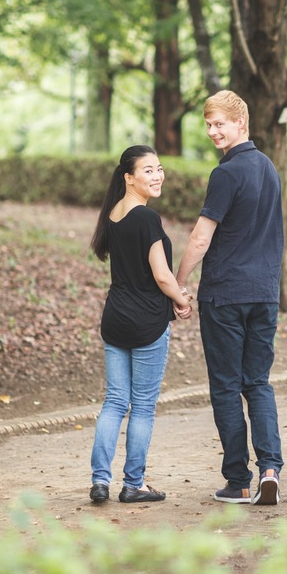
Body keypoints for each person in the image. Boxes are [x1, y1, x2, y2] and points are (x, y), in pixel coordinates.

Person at [176, 91, 285, 506]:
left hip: (225, 296)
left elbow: (201, 237)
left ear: (241, 122)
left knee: (225, 386)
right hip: (265, 294)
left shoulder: (226, 173)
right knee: (257, 382)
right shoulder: (269, 168)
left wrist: (178, 284)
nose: (212, 131)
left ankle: (238, 480)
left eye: (219, 123)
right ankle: (270, 470)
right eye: (208, 124)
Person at [88, 145, 193, 505]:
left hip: (116, 318)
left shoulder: (113, 214)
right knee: (143, 406)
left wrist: (174, 294)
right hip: (146, 321)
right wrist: (182, 300)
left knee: (115, 401)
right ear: (128, 178)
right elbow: (162, 276)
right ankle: (133, 483)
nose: (157, 175)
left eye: (159, 168)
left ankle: (100, 480)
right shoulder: (146, 218)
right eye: (148, 170)